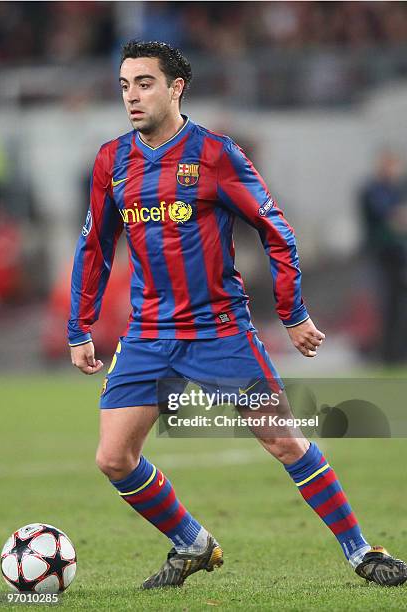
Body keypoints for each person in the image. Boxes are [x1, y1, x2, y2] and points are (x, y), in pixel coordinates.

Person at [68, 41, 407, 589]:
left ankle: (361, 552)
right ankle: (192, 542)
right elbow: (96, 247)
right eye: (125, 85)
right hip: (149, 334)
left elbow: (277, 232)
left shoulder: (216, 154)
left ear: (177, 87)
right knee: (114, 458)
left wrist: (292, 312)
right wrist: (78, 325)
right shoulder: (112, 160)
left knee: (285, 442)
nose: (132, 95)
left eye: (145, 83)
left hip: (217, 332)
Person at [360, 151, 407, 364]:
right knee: (387, 302)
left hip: (400, 255)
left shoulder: (398, 189)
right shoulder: (373, 190)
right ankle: (388, 353)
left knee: (399, 303)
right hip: (383, 255)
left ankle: (398, 350)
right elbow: (391, 218)